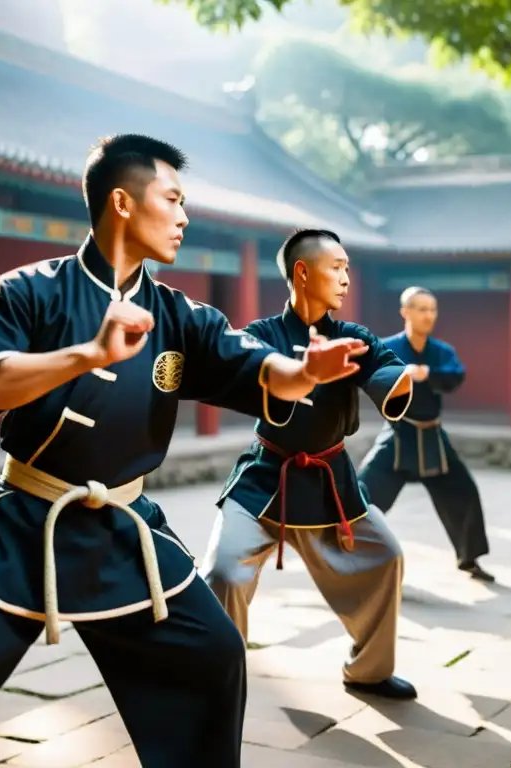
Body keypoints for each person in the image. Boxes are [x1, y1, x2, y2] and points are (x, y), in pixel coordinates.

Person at [0, 134, 368, 768]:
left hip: (125, 532)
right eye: (174, 198)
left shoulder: (181, 316)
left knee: (212, 656)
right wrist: (88, 354)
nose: (185, 216)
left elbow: (256, 366)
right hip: (22, 523)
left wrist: (305, 373)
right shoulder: (28, 292)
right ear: (123, 202)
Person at [200, 228, 420, 701]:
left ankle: (369, 671)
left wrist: (399, 378)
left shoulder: (354, 337)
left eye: (347, 268)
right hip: (266, 479)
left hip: (330, 483)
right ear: (302, 273)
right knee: (222, 572)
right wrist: (301, 374)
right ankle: (214, 678)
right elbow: (246, 375)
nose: (345, 277)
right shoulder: (261, 336)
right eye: (336, 266)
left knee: (386, 556)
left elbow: (382, 368)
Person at [356, 286, 493, 582]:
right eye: (421, 309)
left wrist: (427, 374)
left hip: (432, 435)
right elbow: (369, 377)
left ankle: (469, 558)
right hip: (397, 433)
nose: (428, 315)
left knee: (464, 491)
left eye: (432, 310)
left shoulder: (441, 351)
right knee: (361, 493)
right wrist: (399, 375)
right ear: (405, 312)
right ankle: (352, 556)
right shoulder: (386, 347)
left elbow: (455, 376)